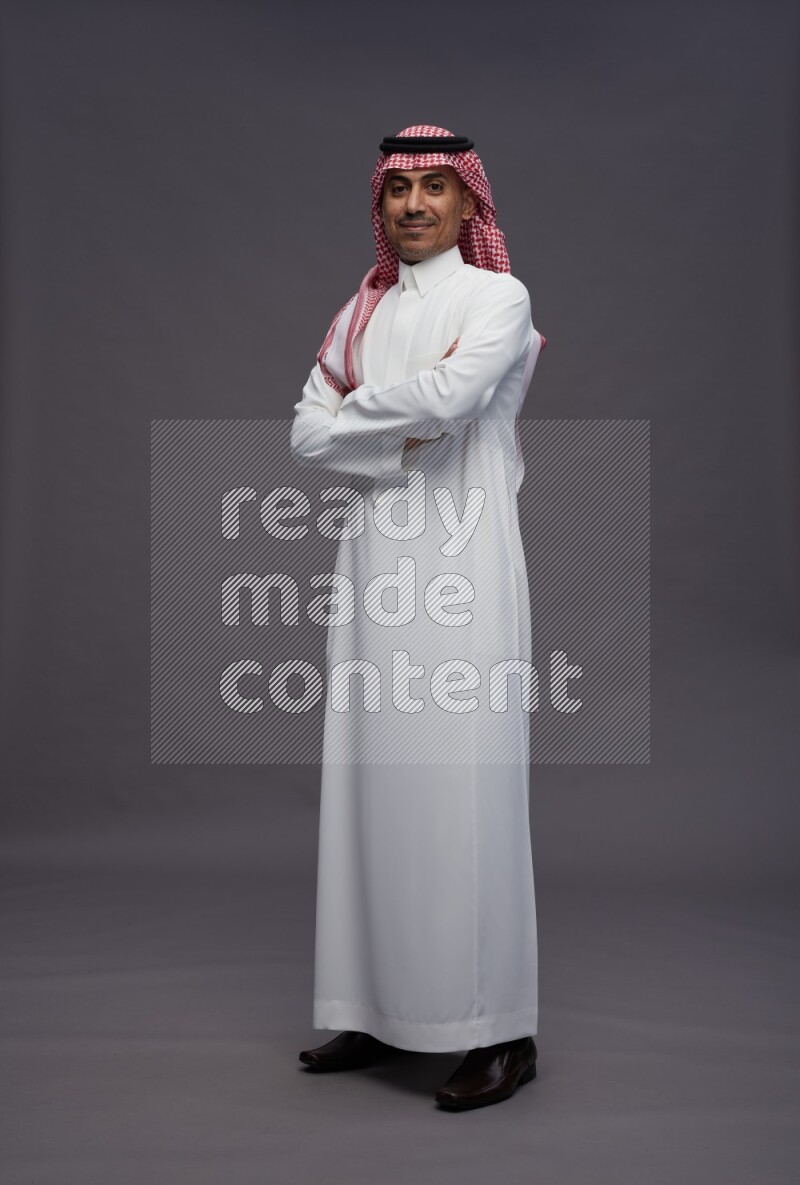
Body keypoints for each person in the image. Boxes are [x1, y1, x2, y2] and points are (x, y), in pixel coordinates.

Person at [289, 125, 546, 1111]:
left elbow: (458, 394)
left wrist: (368, 415)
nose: (414, 206)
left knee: (462, 790)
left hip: (463, 564)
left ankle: (499, 1030)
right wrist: (403, 436)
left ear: (468, 203)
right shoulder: (360, 310)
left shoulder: (497, 298)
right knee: (369, 782)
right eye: (399, 189)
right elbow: (306, 435)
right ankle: (373, 1008)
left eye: (436, 188)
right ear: (381, 202)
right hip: (371, 569)